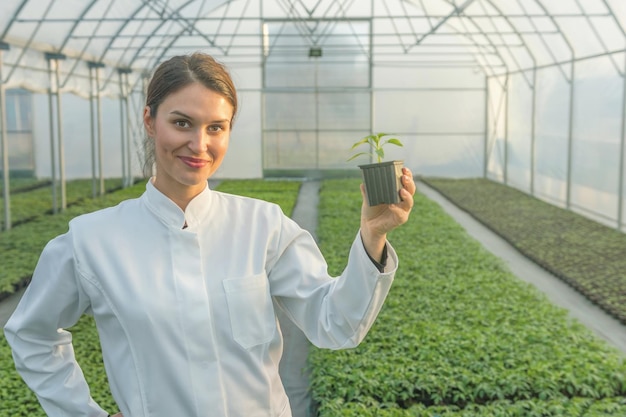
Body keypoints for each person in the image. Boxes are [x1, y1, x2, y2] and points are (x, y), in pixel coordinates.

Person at [4, 52, 416, 417]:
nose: (199, 144)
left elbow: (335, 324)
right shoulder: (92, 240)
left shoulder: (263, 225)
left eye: (216, 127)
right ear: (150, 121)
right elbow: (31, 333)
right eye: (181, 122)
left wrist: (372, 238)